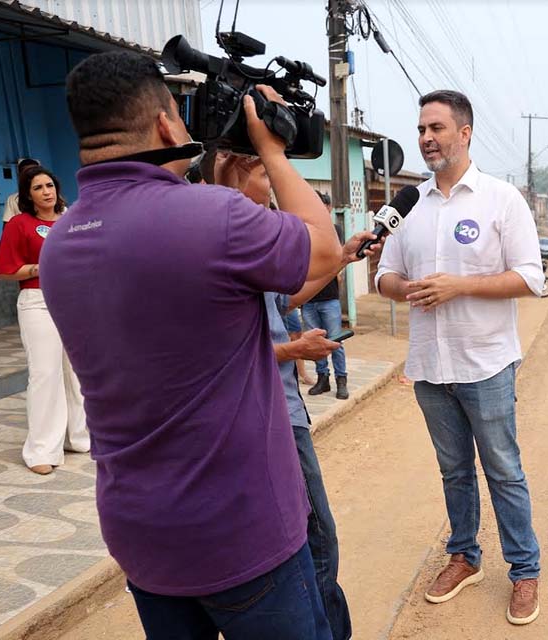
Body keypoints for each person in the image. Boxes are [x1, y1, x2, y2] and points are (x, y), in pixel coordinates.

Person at [40, 51, 343, 639]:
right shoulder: (213, 219)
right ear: (162, 125)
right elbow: (324, 250)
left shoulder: (61, 245)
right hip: (241, 532)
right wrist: (273, 151)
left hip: (142, 538)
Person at [376, 90, 544, 625]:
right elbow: (383, 276)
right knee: (454, 472)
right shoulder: (410, 205)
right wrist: (406, 290)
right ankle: (464, 557)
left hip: (486, 364)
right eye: (421, 129)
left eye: (436, 128)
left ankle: (524, 570)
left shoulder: (500, 199)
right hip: (429, 366)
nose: (425, 138)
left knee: (503, 470)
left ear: (464, 133)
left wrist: (460, 287)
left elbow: (530, 278)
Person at [214, 153, 380, 640]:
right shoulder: (225, 243)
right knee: (317, 535)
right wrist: (294, 348)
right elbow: (220, 355)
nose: (274, 183)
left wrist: (343, 257)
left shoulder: (248, 243)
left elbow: (282, 299)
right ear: (237, 179)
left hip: (284, 406)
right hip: (273, 415)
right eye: (267, 171)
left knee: (307, 533)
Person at [0, 165, 89, 475]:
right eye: (38, 188)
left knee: (76, 373)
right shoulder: (20, 224)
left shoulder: (71, 220)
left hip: (74, 301)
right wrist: (41, 267)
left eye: (50, 185)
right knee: (45, 374)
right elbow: (6, 270)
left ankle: (78, 437)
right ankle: (41, 451)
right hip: (37, 303)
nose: (46, 191)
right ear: (28, 196)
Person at [304, 191, 349, 400]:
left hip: (329, 296)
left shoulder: (335, 230)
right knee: (315, 342)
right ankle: (323, 379)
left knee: (335, 340)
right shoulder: (303, 230)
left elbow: (332, 257)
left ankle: (342, 380)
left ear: (329, 208)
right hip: (307, 298)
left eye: (322, 206)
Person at [2, 158, 40, 224]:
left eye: (34, 171)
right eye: (26, 172)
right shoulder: (13, 199)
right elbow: (7, 227)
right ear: (20, 175)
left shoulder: (50, 195)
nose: (31, 174)